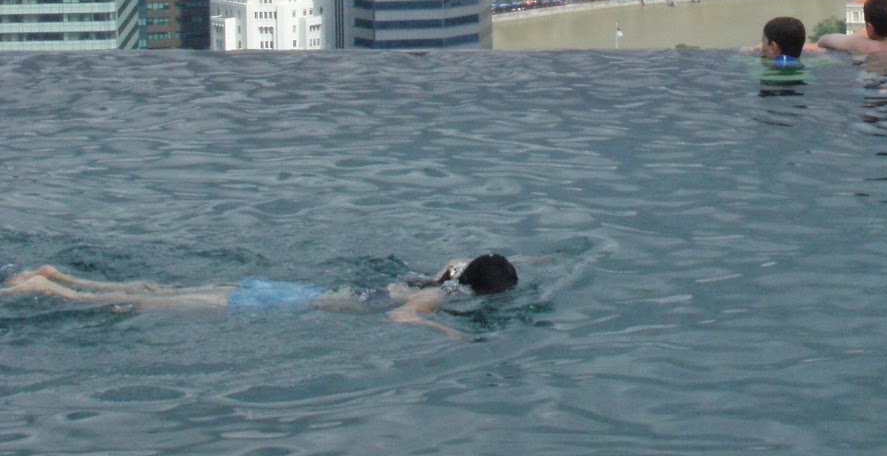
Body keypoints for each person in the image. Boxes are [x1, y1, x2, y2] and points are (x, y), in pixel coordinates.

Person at [2, 254, 518, 334]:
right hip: (283, 302)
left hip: (293, 290)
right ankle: (51, 287)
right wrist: (446, 334)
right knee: (149, 303)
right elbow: (401, 320)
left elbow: (465, 252)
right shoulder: (435, 300)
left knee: (163, 288)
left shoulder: (443, 276)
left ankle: (64, 276)